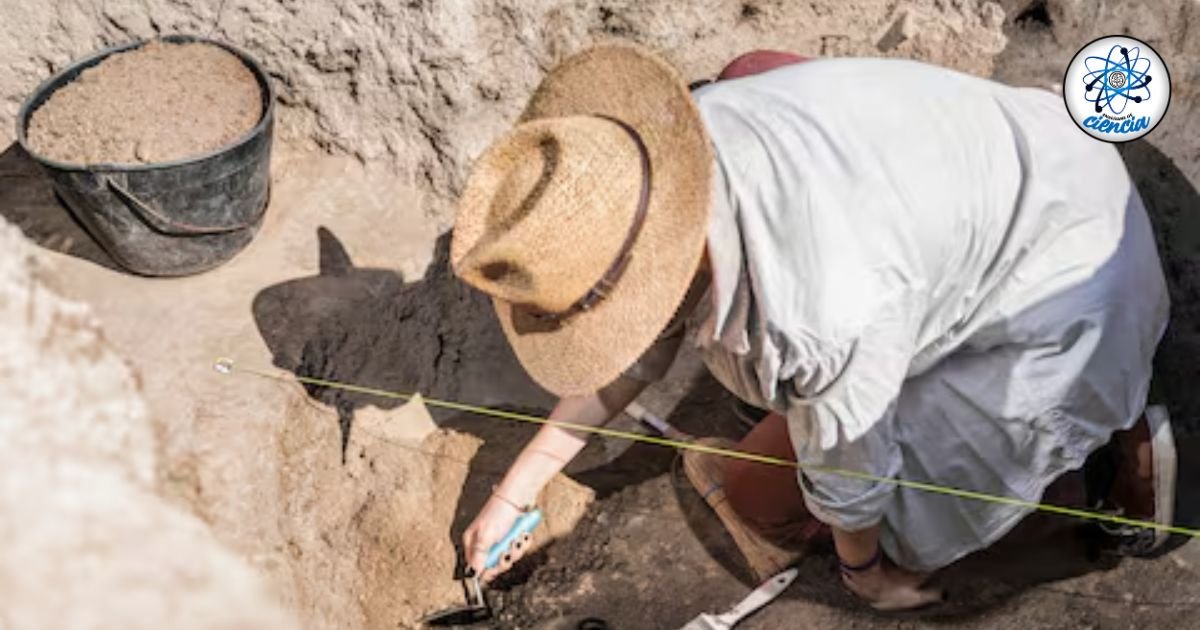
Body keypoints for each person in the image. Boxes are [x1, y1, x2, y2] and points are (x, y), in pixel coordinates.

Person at [450, 45, 1176, 611]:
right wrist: (516, 492)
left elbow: (849, 477)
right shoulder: (691, 135)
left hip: (1068, 296)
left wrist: (869, 577)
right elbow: (639, 341)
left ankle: (1118, 449)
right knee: (756, 70)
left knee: (764, 498)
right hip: (1020, 155)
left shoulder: (818, 315)